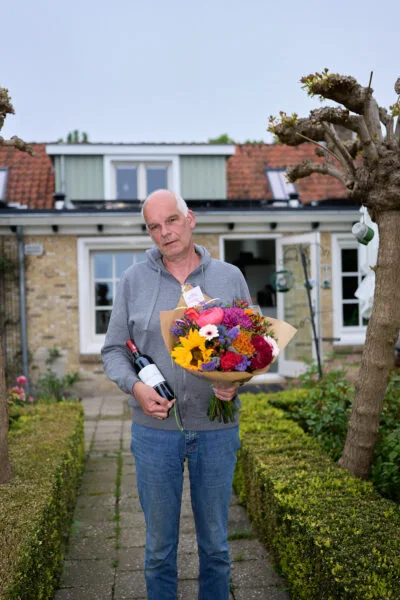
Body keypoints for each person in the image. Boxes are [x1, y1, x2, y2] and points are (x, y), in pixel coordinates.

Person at [101, 189, 251, 600]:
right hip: (155, 433)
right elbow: (114, 350)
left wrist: (234, 381)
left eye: (171, 220)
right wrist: (136, 387)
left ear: (191, 219)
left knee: (217, 549)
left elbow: (253, 348)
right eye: (154, 226)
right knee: (158, 551)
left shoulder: (228, 276)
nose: (165, 232)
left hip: (217, 432)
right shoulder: (134, 280)